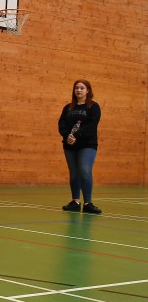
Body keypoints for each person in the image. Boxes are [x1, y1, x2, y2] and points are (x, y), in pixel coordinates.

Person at [58, 79, 102, 214]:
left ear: (87, 91)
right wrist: (67, 136)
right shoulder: (68, 108)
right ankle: (75, 202)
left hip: (87, 144)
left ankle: (88, 203)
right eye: (77, 88)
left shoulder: (93, 107)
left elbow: (91, 124)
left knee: (84, 170)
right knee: (74, 173)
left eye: (82, 88)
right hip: (69, 145)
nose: (79, 90)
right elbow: (62, 123)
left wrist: (77, 136)